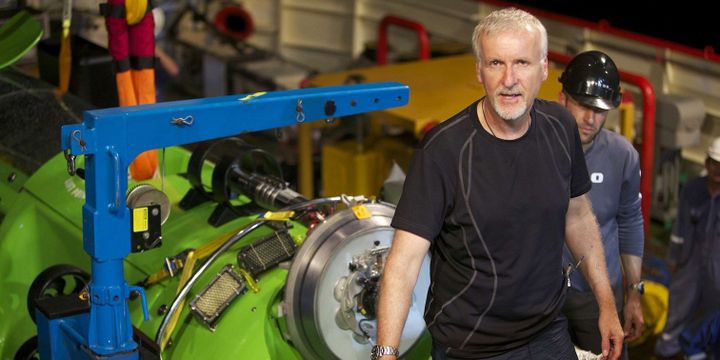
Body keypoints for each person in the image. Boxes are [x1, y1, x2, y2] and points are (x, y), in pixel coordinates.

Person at [374, 7, 624, 360]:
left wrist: (607, 305)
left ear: (543, 69)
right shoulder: (444, 151)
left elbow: (578, 216)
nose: (509, 79)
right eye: (495, 64)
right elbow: (404, 262)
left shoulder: (560, 128)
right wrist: (385, 352)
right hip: (472, 347)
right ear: (479, 71)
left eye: (521, 63)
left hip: (548, 332)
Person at [557, 50, 645, 359]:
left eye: (599, 109)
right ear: (562, 97)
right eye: (583, 105)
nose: (590, 118)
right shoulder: (534, 148)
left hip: (598, 296)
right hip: (540, 293)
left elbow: (631, 221)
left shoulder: (622, 156)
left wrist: (633, 295)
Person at [655, 138, 720, 358]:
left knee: (715, 318)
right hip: (690, 262)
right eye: (714, 163)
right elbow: (680, 228)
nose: (718, 169)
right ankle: (667, 351)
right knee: (679, 307)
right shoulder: (693, 189)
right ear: (706, 162)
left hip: (718, 268)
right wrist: (673, 258)